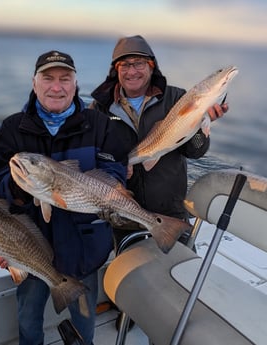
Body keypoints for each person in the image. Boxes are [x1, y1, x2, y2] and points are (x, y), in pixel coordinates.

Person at [0, 50, 131, 345]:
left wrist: (109, 199)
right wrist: (17, 189)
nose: (56, 87)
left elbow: (114, 169)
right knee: (28, 316)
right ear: (34, 82)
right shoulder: (12, 129)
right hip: (29, 245)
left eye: (65, 79)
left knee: (84, 317)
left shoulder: (99, 124)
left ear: (76, 84)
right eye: (48, 78)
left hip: (85, 247)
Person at [90, 35, 228, 248]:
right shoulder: (100, 108)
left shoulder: (176, 99)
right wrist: (114, 167)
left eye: (139, 63)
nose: (132, 71)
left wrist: (202, 126)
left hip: (171, 212)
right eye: (125, 65)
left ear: (152, 66)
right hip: (124, 215)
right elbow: (92, 152)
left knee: (177, 274)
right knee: (133, 274)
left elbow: (195, 151)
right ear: (115, 70)